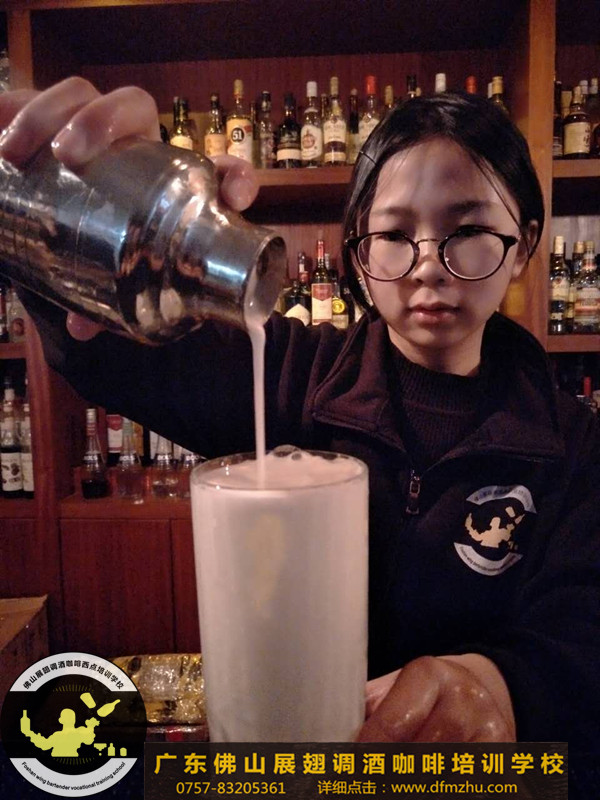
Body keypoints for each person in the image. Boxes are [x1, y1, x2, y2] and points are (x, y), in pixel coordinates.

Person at [1, 79, 599, 791]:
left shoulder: (574, 445)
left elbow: (585, 633)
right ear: (358, 253)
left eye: (467, 232)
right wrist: (69, 207)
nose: (428, 265)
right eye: (394, 236)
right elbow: (106, 354)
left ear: (523, 244)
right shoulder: (294, 375)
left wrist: (502, 688)